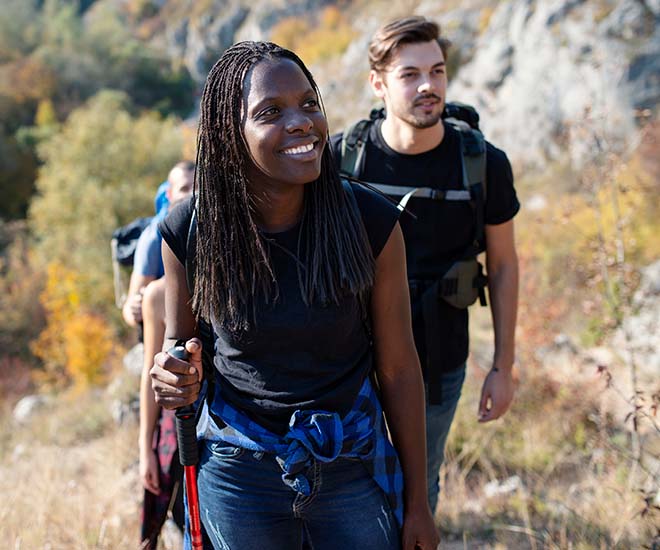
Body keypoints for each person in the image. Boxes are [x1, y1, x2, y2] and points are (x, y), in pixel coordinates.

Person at [149, 41, 439, 550]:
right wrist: (173, 377)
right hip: (239, 472)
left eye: (310, 104)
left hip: (350, 461)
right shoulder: (188, 230)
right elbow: (180, 349)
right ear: (228, 136)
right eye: (270, 112)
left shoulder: (371, 223)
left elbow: (398, 368)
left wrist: (418, 505)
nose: (302, 122)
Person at [331, 16, 520, 513]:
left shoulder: (482, 163)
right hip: (351, 360)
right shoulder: (345, 160)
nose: (427, 86)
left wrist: (503, 366)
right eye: (409, 74)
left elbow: (503, 266)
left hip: (440, 359)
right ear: (378, 83)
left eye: (436, 71)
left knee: (420, 483)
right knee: (346, 486)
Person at [122, 161, 195, 328]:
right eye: (184, 188)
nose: (192, 194)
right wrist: (134, 309)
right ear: (169, 195)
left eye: (198, 186)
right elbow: (129, 309)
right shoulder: (154, 237)